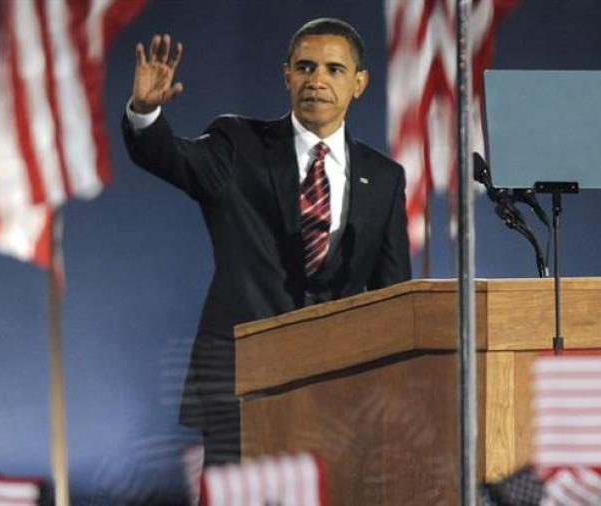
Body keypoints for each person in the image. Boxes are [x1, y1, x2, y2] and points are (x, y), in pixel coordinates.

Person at [122, 18, 411, 466]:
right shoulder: (238, 144)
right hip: (240, 381)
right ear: (287, 75)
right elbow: (170, 158)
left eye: (334, 70)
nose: (317, 79)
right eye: (305, 66)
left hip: (336, 388)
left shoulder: (385, 177)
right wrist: (145, 114)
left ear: (359, 83)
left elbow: (391, 293)